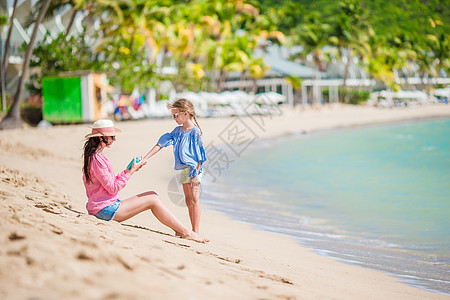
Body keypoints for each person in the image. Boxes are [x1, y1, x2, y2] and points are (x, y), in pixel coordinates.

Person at [82, 119, 206, 243]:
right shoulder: (97, 160)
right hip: (105, 210)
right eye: (112, 136)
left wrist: (129, 169)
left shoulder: (96, 156)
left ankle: (180, 230)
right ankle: (187, 232)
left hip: (103, 207)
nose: (114, 139)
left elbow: (110, 183)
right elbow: (113, 188)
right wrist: (130, 172)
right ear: (100, 138)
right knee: (153, 199)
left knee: (153, 195)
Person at [143, 98, 206, 236]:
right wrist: (146, 157)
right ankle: (193, 230)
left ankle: (196, 231)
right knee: (188, 199)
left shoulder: (195, 132)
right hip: (184, 169)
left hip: (194, 169)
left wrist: (195, 173)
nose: (174, 118)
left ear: (186, 113)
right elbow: (160, 144)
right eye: (173, 115)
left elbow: (201, 156)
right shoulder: (176, 132)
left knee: (194, 199)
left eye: (176, 115)